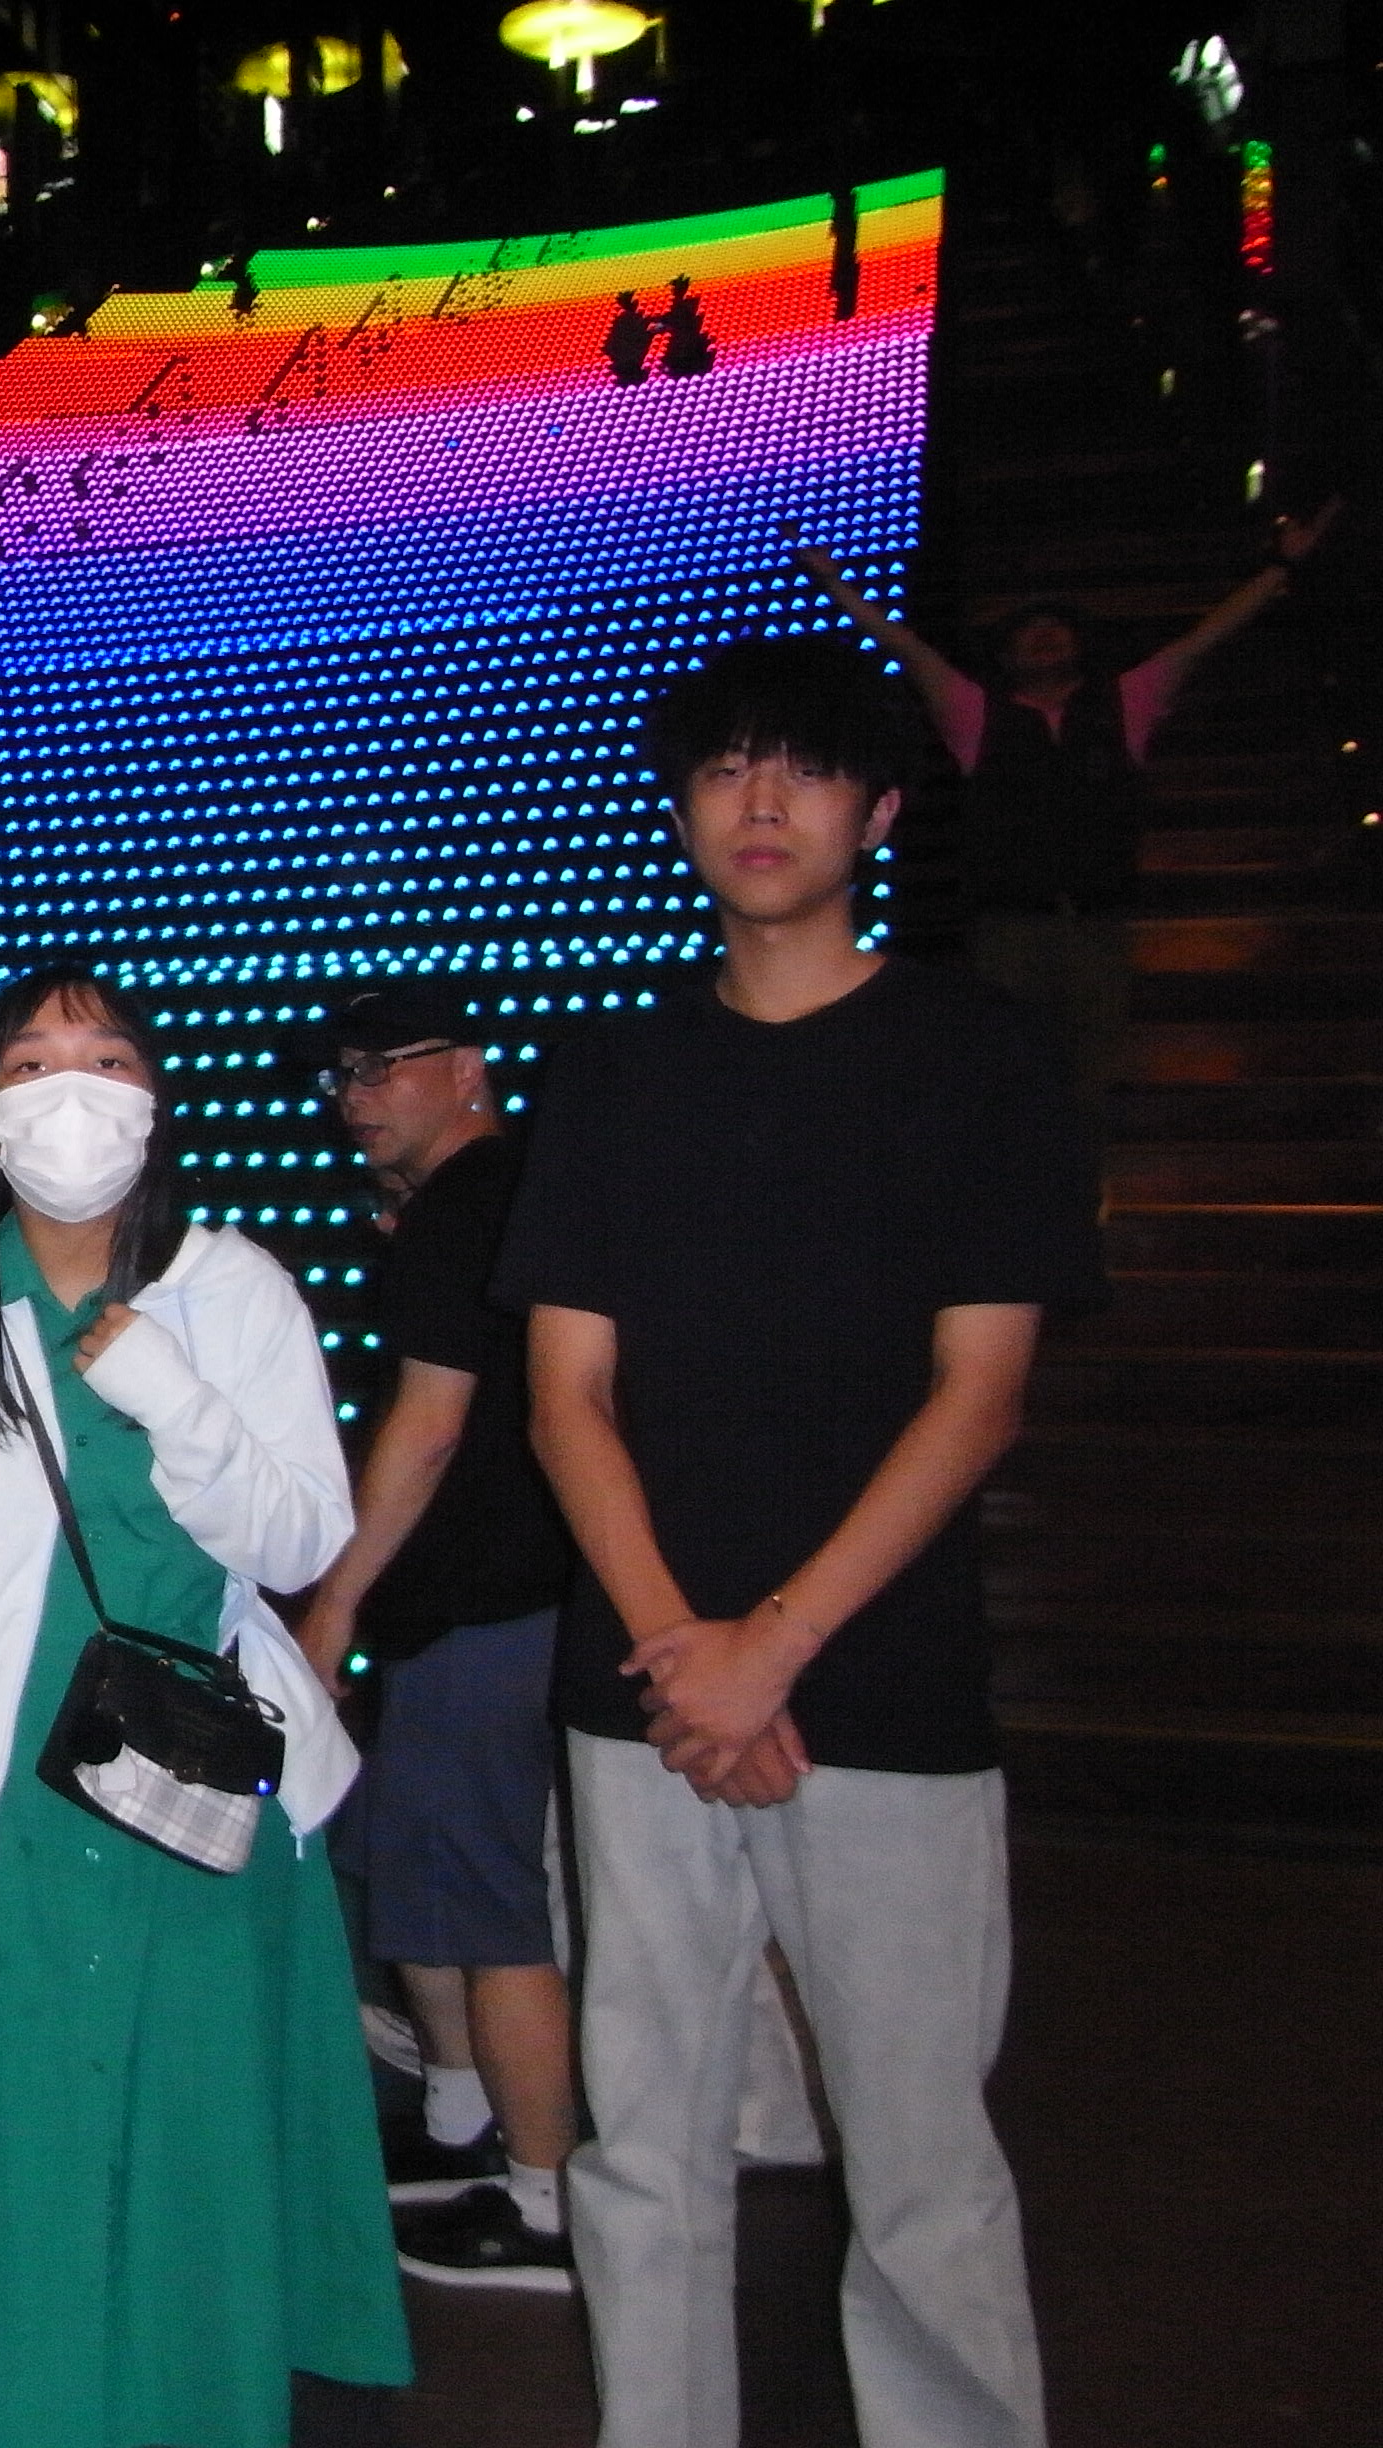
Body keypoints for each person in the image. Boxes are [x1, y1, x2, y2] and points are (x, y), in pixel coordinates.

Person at [496, 633, 1105, 2448]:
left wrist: (768, 1646)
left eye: (805, 769)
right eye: (722, 769)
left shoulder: (979, 1055)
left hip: (881, 1688)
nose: (759, 803)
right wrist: (686, 1651)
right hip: (642, 1693)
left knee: (918, 2162)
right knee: (641, 2144)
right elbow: (565, 1399)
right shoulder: (610, 1070)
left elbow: (979, 1395)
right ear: (679, 808)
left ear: (878, 810)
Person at [0, 964, 408, 2448]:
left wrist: (171, 1394)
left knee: (186, 2134)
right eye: (31, 1064)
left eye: (107, 1059)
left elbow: (299, 1541)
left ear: (153, 1100)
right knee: (13, 2142)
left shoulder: (232, 1285)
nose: (70, 1091)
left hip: (190, 1784)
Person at [292, 982, 580, 2294]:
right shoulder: (482, 1203)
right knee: (422, 1869)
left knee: (486, 1901)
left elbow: (430, 1424)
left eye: (380, 1066)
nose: (355, 1095)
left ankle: (545, 2197)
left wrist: (336, 1598)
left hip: (485, 1598)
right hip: (477, 1597)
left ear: (467, 1067)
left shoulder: (473, 1203)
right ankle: (465, 2128)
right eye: (342, 1075)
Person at [788, 499, 1343, 1104]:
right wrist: (832, 581)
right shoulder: (978, 713)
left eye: (1056, 626)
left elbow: (1204, 639)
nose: (1044, 636)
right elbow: (904, 647)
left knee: (1090, 1079)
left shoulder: (1124, 702)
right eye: (1028, 631)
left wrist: (1280, 569)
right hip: (1009, 925)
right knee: (1009, 1073)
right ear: (1006, 654)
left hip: (1096, 922)